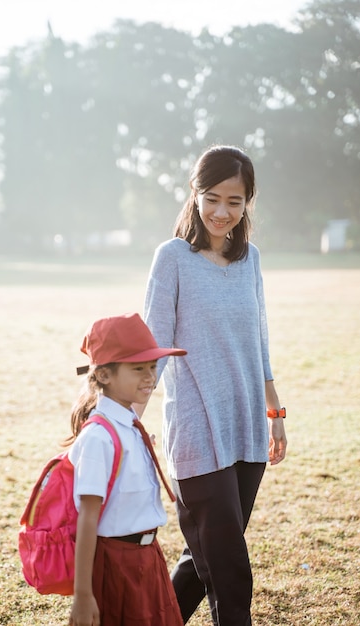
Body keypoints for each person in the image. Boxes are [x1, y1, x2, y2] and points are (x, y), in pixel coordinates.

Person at [142, 145, 287, 626]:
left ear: (249, 202)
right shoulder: (173, 259)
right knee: (229, 570)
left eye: (236, 200)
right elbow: (154, 348)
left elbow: (259, 339)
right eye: (213, 198)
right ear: (195, 194)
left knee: (203, 556)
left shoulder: (251, 261)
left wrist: (275, 412)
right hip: (197, 429)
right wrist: (123, 421)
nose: (222, 212)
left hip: (245, 425)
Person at [67, 312, 187, 626]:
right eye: (138, 369)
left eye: (152, 367)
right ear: (104, 375)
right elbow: (87, 519)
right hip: (117, 566)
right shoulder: (99, 438)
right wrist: (82, 595)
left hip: (149, 560)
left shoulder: (130, 426)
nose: (150, 377)